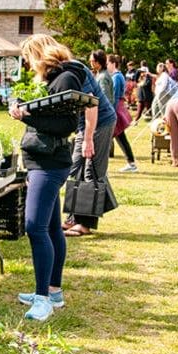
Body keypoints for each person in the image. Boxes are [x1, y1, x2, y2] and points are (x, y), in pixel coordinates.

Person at [10, 35, 82, 321]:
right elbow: (49, 115)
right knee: (51, 228)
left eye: (28, 58)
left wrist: (26, 116)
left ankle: (43, 299)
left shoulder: (65, 79)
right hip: (42, 162)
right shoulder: (55, 79)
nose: (27, 65)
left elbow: (65, 125)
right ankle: (53, 292)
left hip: (49, 164)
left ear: (38, 53)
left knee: (35, 227)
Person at [62, 45, 117, 239]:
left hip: (100, 122)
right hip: (82, 125)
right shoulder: (60, 71)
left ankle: (85, 223)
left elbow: (91, 102)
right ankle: (72, 218)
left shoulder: (74, 70)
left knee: (91, 170)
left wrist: (88, 138)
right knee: (76, 168)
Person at [107, 54, 138, 172]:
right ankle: (131, 163)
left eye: (107, 63)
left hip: (116, 110)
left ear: (113, 63)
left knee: (118, 138)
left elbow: (114, 96)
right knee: (121, 138)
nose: (106, 66)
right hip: (117, 109)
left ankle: (131, 163)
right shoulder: (118, 76)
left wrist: (111, 113)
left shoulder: (116, 77)